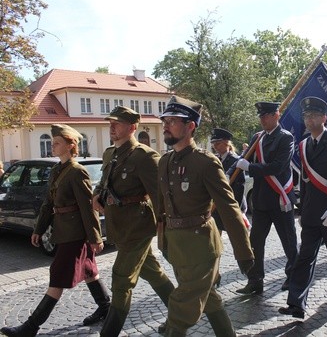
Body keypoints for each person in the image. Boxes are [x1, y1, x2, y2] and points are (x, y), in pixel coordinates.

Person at [156, 98, 254, 336]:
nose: (166, 126)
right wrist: (163, 241)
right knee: (208, 297)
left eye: (173, 121)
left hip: (201, 246)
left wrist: (244, 252)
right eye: (165, 121)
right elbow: (163, 206)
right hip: (176, 246)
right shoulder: (165, 161)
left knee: (182, 308)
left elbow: (229, 207)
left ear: (190, 126)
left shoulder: (205, 163)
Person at [1, 124, 109, 337]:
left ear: (71, 145)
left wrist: (95, 237)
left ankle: (30, 327)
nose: (53, 146)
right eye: (52, 142)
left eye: (57, 143)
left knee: (57, 277)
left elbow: (88, 209)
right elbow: (48, 204)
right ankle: (106, 307)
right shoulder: (57, 170)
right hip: (63, 230)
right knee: (89, 270)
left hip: (75, 234)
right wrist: (38, 229)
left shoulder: (78, 172)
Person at [92, 106, 175, 336]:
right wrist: (97, 193)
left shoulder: (144, 157)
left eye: (117, 123)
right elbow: (105, 181)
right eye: (110, 123)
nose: (112, 127)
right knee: (153, 272)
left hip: (138, 227)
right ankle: (180, 314)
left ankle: (108, 333)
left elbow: (160, 197)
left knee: (121, 279)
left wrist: (166, 230)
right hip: (119, 225)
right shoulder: (110, 153)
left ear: (132, 127)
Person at [278, 97, 327, 319]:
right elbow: (305, 181)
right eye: (306, 116)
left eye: (313, 115)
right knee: (304, 258)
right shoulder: (303, 145)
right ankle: (296, 303)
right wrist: (302, 210)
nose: (309, 119)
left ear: (324, 118)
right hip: (312, 213)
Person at [234, 102, 299, 295]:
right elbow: (241, 161)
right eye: (260, 117)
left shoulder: (285, 138)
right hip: (261, 200)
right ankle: (256, 281)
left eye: (266, 116)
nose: (262, 120)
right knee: (255, 242)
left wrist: (250, 168)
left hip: (280, 198)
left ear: (276, 115)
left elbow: (277, 167)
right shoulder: (257, 138)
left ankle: (293, 276)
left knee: (288, 241)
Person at [210, 127, 248, 233]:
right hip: (217, 206)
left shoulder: (236, 161)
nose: (215, 146)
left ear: (226, 143)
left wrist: (235, 209)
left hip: (231, 205)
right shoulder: (214, 160)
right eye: (213, 143)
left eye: (218, 143)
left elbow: (239, 187)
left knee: (237, 238)